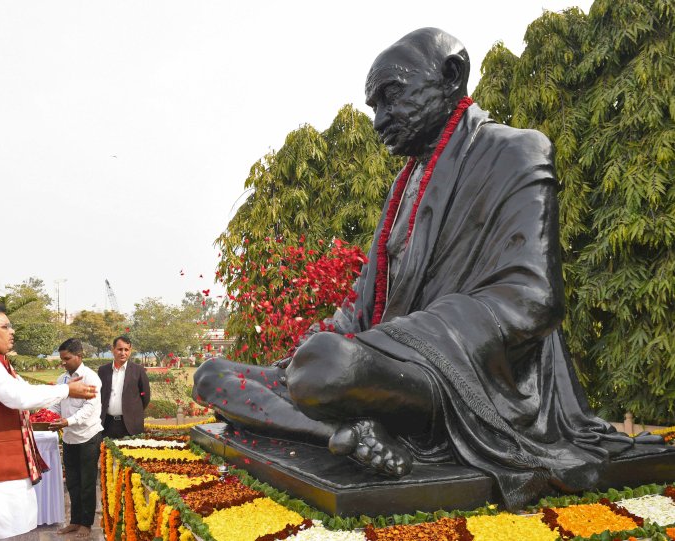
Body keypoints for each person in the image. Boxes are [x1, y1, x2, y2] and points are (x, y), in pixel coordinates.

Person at [193, 27, 663, 510]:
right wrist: (324, 343)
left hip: (466, 378)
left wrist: (381, 343)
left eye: (392, 96)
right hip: (385, 368)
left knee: (327, 366)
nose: (379, 120)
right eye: (374, 105)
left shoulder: (516, 151)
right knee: (212, 375)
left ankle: (337, 417)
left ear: (451, 75)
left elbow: (532, 298)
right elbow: (362, 304)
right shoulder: (404, 187)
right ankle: (339, 433)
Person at [0, 303, 96, 541]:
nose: (12, 331)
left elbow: (24, 389)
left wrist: (63, 390)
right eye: (5, 326)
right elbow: (18, 396)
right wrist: (66, 390)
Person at [48, 338, 104, 539]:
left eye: (67, 358)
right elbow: (56, 404)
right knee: (72, 482)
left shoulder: (91, 378)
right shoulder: (62, 379)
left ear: (79, 356)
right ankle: (74, 521)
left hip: (88, 436)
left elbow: (90, 408)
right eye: (62, 359)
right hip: (69, 437)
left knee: (87, 483)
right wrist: (47, 415)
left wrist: (67, 421)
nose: (63, 362)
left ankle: (86, 523)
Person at [98, 336, 150, 438]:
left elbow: (145, 396)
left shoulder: (138, 370)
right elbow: (100, 395)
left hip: (130, 425)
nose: (123, 353)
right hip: (107, 424)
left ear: (130, 351)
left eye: (126, 350)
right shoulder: (103, 370)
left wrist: (132, 410)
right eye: (120, 349)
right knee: (106, 448)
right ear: (113, 349)